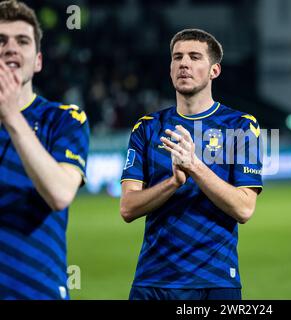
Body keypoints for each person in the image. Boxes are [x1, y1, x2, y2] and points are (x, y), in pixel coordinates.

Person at [120, 28, 263, 300]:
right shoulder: (148, 128)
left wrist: (194, 166)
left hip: (216, 281)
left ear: (214, 71)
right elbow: (127, 208)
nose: (184, 63)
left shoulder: (241, 126)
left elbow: (244, 208)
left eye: (195, 57)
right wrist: (174, 182)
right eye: (177, 57)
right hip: (153, 281)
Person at [0, 1, 89, 299]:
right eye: (1, 41)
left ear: (37, 60)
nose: (11, 47)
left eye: (22, 41)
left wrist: (11, 115)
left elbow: (60, 193)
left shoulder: (64, 119)